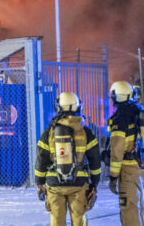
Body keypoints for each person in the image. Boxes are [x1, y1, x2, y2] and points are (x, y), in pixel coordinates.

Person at [35, 92, 102, 226]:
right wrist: (94, 183)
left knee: (57, 220)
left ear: (58, 107)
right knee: (79, 220)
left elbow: (41, 158)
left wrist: (39, 182)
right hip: (78, 183)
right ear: (77, 107)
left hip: (54, 184)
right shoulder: (86, 132)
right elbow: (95, 160)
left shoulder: (49, 132)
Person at [106, 81, 144, 226]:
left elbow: (117, 151)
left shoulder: (121, 118)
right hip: (143, 168)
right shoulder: (140, 111)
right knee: (139, 211)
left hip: (129, 171)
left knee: (130, 212)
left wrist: (113, 177)